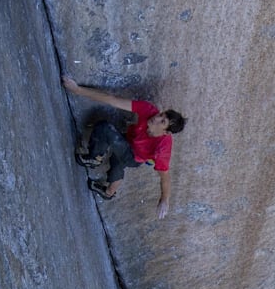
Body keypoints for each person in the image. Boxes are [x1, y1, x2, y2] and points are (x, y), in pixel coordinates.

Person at [62, 76, 185, 220]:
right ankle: (108, 193)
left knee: (105, 129)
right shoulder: (148, 110)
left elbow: (165, 177)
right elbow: (113, 100)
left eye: (162, 121)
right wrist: (78, 90)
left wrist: (165, 199)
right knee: (116, 160)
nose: (156, 118)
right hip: (128, 140)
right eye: (161, 115)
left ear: (166, 132)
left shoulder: (163, 148)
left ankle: (94, 158)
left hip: (134, 157)